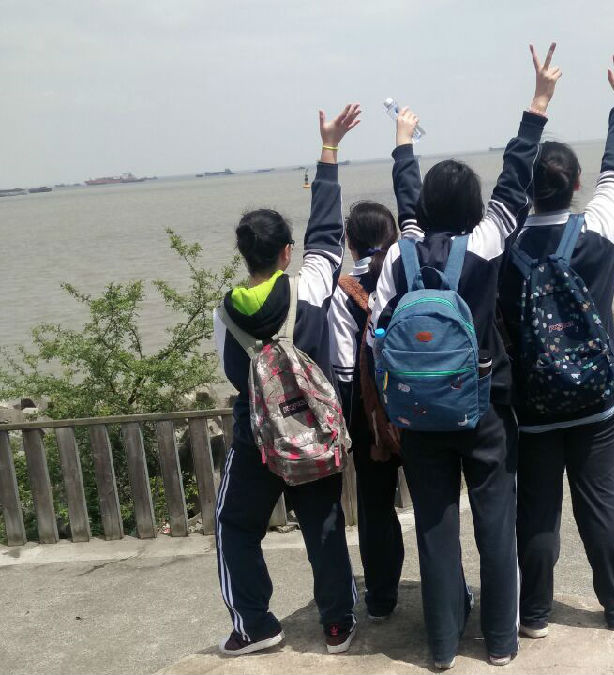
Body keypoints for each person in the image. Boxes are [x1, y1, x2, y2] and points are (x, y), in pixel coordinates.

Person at [368, 44, 561, 669]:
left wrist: (403, 143)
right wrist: (538, 103)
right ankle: (500, 644)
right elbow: (515, 177)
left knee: (435, 530)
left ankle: (443, 648)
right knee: (494, 525)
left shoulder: (399, 256)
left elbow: (377, 334)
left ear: (425, 210)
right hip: (484, 408)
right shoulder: (486, 241)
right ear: (474, 206)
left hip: (420, 414)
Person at [497, 54, 614, 637]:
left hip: (533, 406)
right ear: (576, 185)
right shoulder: (597, 229)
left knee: (537, 510)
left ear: (527, 192)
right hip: (596, 400)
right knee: (600, 501)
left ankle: (534, 612)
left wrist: (537, 102)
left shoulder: (504, 248)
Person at [212, 103, 362, 656]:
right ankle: (337, 624)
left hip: (256, 438)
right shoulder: (312, 283)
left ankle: (255, 624)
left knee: (234, 526)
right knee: (324, 528)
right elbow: (326, 231)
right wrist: (329, 149)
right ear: (285, 252)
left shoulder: (224, 312)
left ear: (243, 255)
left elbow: (232, 373)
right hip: (312, 436)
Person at [327, 199, 403, 622]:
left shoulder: (343, 292)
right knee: (433, 503)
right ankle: (449, 592)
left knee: (375, 507)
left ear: (349, 242)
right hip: (419, 407)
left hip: (369, 419)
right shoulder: (407, 273)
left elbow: (343, 368)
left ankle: (382, 598)